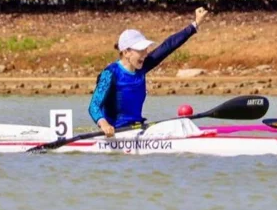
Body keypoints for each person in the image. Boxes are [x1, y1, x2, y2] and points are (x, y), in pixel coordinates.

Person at [89, 8, 208, 137]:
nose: (145, 55)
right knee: (179, 126)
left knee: (183, 123)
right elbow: (94, 106)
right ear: (126, 52)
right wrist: (104, 125)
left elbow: (168, 46)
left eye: (145, 50)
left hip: (137, 128)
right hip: (118, 133)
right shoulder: (110, 73)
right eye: (141, 50)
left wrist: (195, 24)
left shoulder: (142, 66)